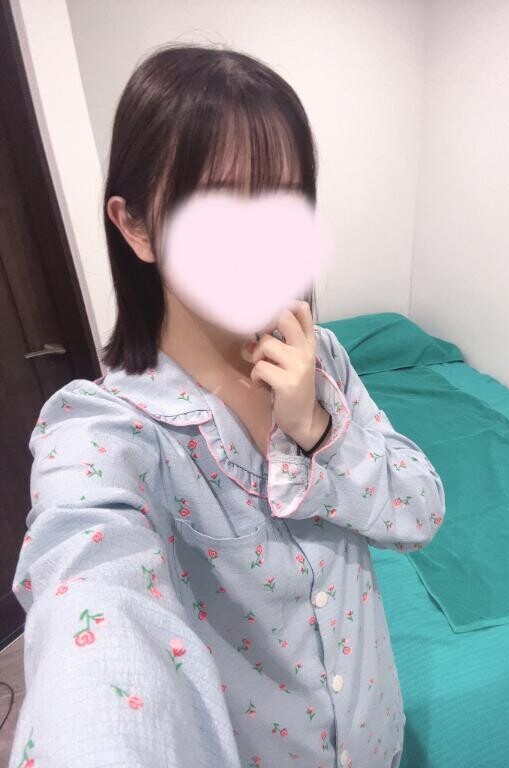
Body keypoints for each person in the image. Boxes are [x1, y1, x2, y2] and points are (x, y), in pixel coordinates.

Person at [9, 43, 446, 768]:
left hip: (378, 740)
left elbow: (422, 512)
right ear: (136, 226)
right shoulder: (106, 432)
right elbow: (92, 593)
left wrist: (319, 429)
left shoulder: (325, 360)